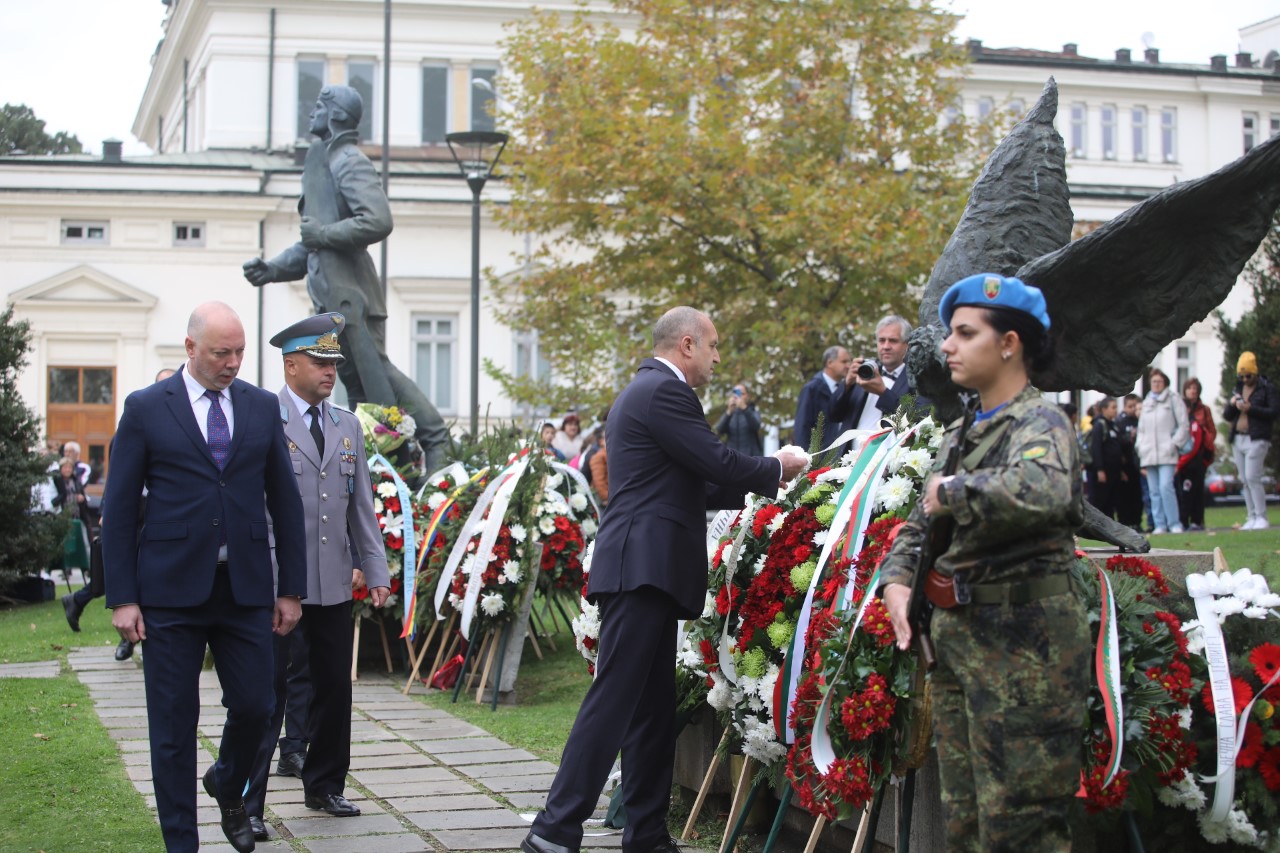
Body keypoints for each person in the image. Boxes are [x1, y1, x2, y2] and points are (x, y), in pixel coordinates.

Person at [521, 307, 806, 853]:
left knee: (650, 710)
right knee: (615, 699)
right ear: (687, 344)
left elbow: (697, 488)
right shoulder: (665, 392)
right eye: (714, 346)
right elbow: (717, 462)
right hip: (641, 570)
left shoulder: (648, 392)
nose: (719, 358)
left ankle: (647, 833)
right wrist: (776, 466)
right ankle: (554, 829)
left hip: (647, 569)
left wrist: (770, 481)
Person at [879, 274, 1089, 853]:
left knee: (1019, 824)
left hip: (1024, 651)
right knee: (967, 821)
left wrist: (955, 491)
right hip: (960, 644)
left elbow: (1043, 490)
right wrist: (896, 580)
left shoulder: (1042, 425)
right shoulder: (962, 431)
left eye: (965, 333)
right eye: (951, 333)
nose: (947, 345)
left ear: (1009, 343)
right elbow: (922, 523)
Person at [102, 301, 307, 853]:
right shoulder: (147, 408)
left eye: (240, 351)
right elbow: (118, 510)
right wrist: (122, 597)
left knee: (258, 707)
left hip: (244, 588)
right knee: (172, 727)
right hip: (168, 593)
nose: (234, 362)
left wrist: (290, 587)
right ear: (191, 348)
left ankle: (226, 778)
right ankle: (181, 844)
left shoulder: (261, 408)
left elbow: (285, 503)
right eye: (222, 352)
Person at [242, 84, 447, 473]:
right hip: (334, 300)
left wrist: (323, 235)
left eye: (319, 105)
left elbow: (376, 219)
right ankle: (381, 470)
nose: (311, 112)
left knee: (378, 376)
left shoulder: (349, 160)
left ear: (336, 114)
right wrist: (273, 269)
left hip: (354, 298)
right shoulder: (324, 161)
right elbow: (314, 244)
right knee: (358, 391)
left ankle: (434, 436)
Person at [243, 313, 391, 841]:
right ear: (291, 365)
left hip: (331, 581)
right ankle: (248, 799)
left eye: (334, 363)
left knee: (333, 687)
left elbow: (361, 507)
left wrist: (376, 569)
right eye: (320, 362)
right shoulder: (262, 416)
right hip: (279, 581)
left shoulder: (346, 424)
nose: (330, 371)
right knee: (267, 692)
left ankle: (324, 782)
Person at [63, 369, 178, 661]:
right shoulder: (136, 423)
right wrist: (106, 514)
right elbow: (118, 482)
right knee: (122, 577)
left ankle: (79, 602)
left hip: (166, 517)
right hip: (136, 516)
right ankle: (126, 638)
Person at [830, 316, 923, 435]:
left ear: (907, 344)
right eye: (881, 340)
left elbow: (918, 420)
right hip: (852, 451)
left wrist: (883, 393)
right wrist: (847, 384)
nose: (886, 346)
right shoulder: (864, 371)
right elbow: (833, 416)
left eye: (893, 340)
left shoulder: (918, 377)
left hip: (892, 451)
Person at [1225, 351, 1276, 530]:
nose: (1245, 379)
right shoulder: (1238, 388)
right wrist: (1232, 404)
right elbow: (1227, 415)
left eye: (1248, 375)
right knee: (1244, 479)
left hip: (1257, 438)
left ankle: (1261, 516)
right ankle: (1252, 516)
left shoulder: (1265, 387)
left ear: (1254, 373)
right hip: (1238, 439)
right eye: (1241, 376)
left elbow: (1273, 412)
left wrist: (1250, 408)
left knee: (1253, 477)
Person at [1136, 367, 1189, 535]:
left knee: (1166, 487)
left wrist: (1174, 444)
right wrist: (1140, 446)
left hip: (1167, 452)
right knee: (1154, 491)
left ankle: (1174, 522)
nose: (1156, 384)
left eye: (1159, 381)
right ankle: (1160, 524)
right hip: (1149, 452)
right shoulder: (1146, 402)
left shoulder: (1173, 399)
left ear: (1165, 382)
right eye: (1153, 382)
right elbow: (1141, 429)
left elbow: (1183, 425)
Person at [1176, 377, 1217, 531]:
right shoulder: (1179, 408)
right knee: (1184, 490)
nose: (1193, 391)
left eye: (1195, 389)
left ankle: (1197, 520)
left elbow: (1211, 431)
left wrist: (1204, 443)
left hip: (1198, 456)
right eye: (1190, 388)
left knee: (1197, 489)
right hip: (1183, 457)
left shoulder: (1204, 410)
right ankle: (1184, 519)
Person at [793, 345, 851, 450]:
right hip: (819, 458)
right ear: (829, 363)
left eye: (849, 362)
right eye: (844, 362)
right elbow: (802, 426)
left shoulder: (847, 389)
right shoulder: (811, 389)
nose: (848, 366)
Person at [1087, 396, 1124, 520]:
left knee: (1112, 500)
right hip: (1104, 470)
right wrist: (1099, 469)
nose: (1115, 410)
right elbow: (1096, 448)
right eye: (1113, 407)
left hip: (1114, 470)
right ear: (1104, 409)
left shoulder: (1114, 425)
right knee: (1101, 499)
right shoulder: (1099, 425)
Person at [1114, 393, 1144, 530]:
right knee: (1125, 496)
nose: (1133, 409)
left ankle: (1137, 522)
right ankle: (1125, 522)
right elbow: (1117, 443)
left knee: (1138, 496)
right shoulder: (1120, 422)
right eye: (1130, 406)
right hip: (1126, 465)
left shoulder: (1141, 420)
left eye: (1135, 406)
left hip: (1138, 463)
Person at [715, 382, 764, 455]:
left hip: (750, 457)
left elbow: (756, 426)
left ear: (747, 396)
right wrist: (729, 412)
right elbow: (719, 429)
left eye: (741, 394)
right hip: (733, 457)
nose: (738, 396)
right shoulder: (729, 413)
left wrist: (744, 408)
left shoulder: (753, 411)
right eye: (736, 393)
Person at [589, 431, 609, 506]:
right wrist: (606, 497)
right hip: (605, 501)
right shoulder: (598, 457)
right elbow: (598, 481)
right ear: (601, 441)